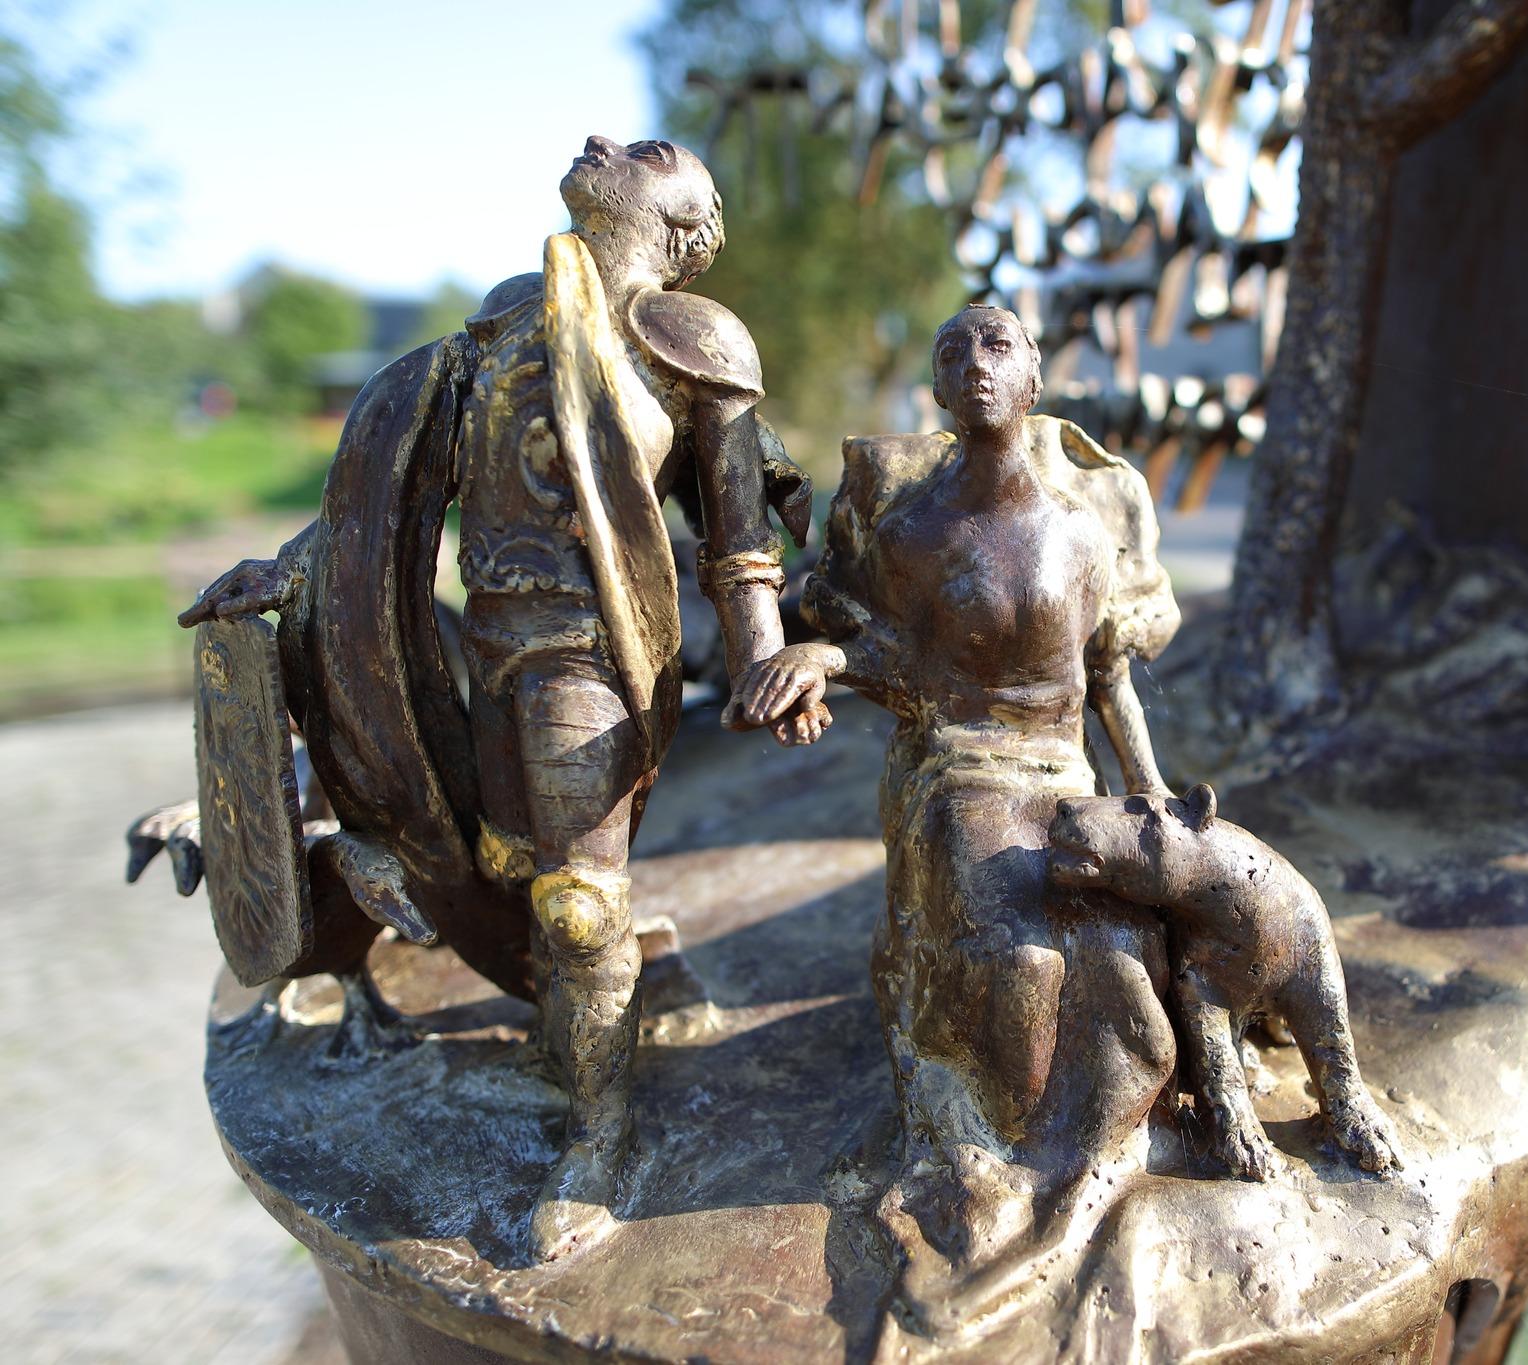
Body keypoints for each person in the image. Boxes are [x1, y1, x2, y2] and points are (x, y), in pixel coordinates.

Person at [181, 136, 821, 1260]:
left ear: (686, 227)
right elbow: (396, 488)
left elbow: (737, 539)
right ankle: (579, 1030)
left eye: (646, 153)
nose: (602, 146)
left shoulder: (694, 339)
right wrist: (288, 575)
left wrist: (767, 658)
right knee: (507, 862)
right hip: (485, 646)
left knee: (579, 902)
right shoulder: (506, 319)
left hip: (592, 657)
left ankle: (599, 1136)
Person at [729, 304, 1181, 1202]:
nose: (976, 362)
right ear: (937, 389)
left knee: (1127, 961)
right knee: (1022, 963)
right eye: (953, 351)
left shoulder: (1082, 533)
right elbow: (897, 662)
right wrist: (823, 658)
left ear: (1032, 379)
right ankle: (991, 1121)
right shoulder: (913, 537)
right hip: (963, 769)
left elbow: (1106, 675)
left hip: (1066, 774)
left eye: (997, 345)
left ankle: (1098, 1145)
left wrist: (1150, 788)